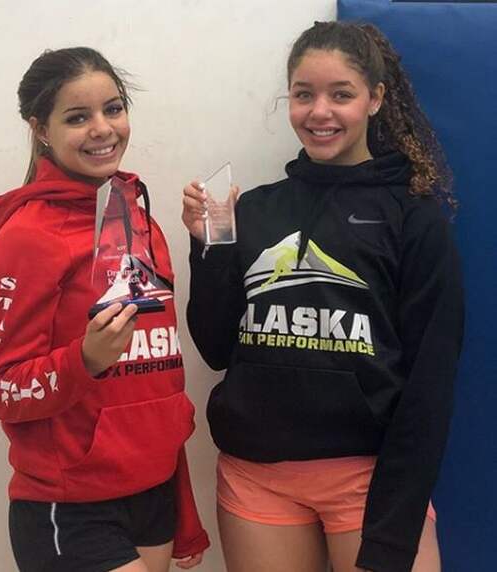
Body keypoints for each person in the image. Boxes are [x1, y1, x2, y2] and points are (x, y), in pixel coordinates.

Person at [182, 21, 463, 572]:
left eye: (341, 95)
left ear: (374, 99)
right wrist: (209, 246)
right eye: (303, 95)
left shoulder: (414, 217)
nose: (319, 112)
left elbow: (431, 382)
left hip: (369, 481)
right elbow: (215, 347)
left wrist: (393, 527)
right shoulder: (254, 209)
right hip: (256, 476)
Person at [0, 47, 209, 572]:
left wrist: (183, 508)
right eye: (78, 117)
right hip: (70, 507)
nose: (103, 129)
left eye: (114, 108)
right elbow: (0, 387)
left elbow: (157, 378)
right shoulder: (26, 239)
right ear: (41, 129)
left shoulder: (139, 220)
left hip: (152, 494)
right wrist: (85, 360)